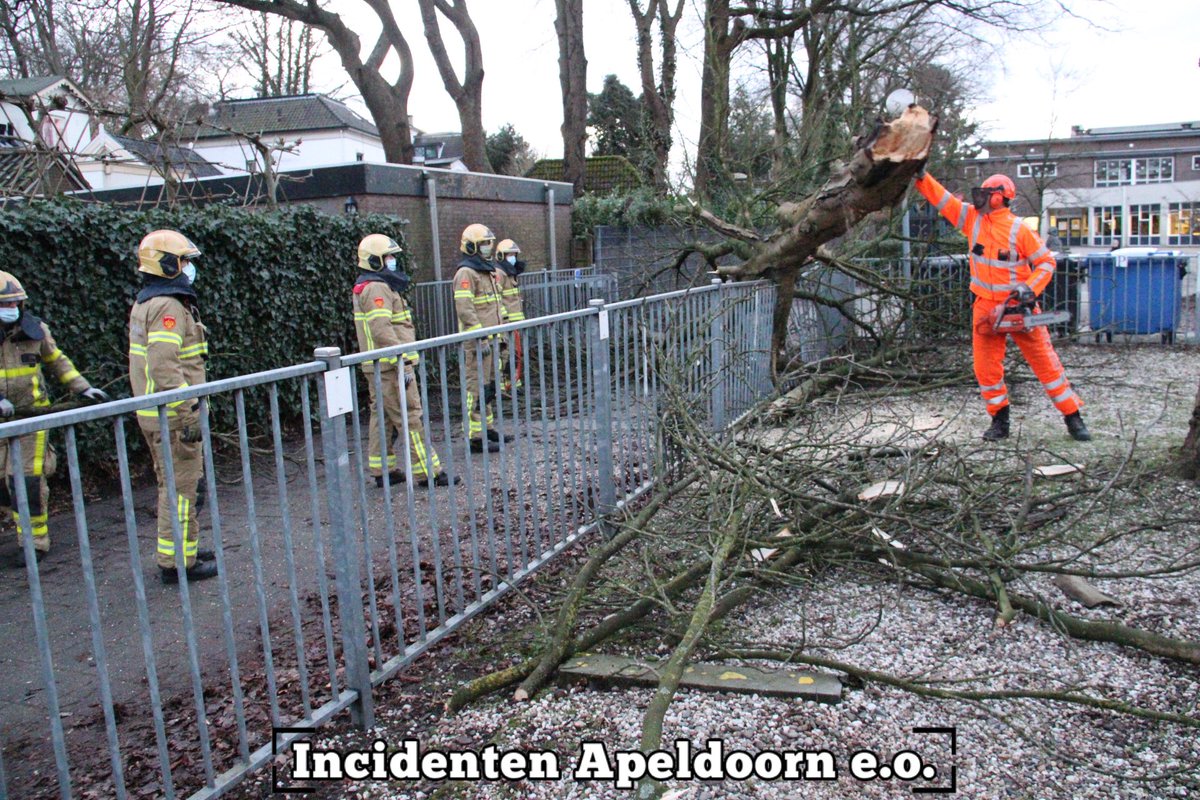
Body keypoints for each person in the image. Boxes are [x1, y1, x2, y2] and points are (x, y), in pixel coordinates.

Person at [912, 170, 1091, 442]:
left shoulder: (1019, 229)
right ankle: (999, 420)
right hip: (985, 306)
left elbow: (1046, 262)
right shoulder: (971, 219)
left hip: (1018, 306)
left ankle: (1073, 416)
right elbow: (943, 199)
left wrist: (1027, 290)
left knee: (1046, 364)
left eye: (986, 194)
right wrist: (920, 176)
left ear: (998, 198)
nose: (979, 198)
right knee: (986, 369)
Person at [129, 229, 218, 584]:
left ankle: (185, 548)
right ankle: (178, 562)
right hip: (173, 415)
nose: (190, 268)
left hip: (157, 413)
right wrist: (187, 413)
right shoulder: (167, 306)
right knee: (182, 487)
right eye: (184, 261)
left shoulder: (147, 301)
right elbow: (166, 368)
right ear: (166, 264)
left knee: (175, 483)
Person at [0, 271, 108, 560]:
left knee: (27, 481)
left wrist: (83, 388)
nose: (11, 310)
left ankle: (35, 543)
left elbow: (57, 361)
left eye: (15, 304)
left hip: (31, 420)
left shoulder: (35, 330)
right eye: (5, 305)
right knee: (3, 484)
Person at [352, 233, 458, 488]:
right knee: (410, 416)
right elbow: (382, 331)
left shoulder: (371, 285)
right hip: (390, 366)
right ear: (375, 260)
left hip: (379, 366)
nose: (392, 261)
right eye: (388, 257)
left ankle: (383, 470)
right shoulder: (377, 287)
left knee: (383, 417)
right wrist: (403, 362)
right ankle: (429, 473)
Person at [452, 224, 510, 452]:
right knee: (476, 389)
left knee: (489, 387)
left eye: (489, 243)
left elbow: (496, 308)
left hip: (493, 341)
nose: (489, 247)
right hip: (477, 344)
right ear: (472, 246)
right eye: (484, 243)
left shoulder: (487, 272)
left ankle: (487, 427)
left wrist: (501, 336)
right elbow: (466, 310)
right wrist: (482, 338)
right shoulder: (466, 273)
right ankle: (474, 437)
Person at [494, 238, 526, 393]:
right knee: (504, 353)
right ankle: (501, 384)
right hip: (507, 322)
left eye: (514, 254)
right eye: (509, 254)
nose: (512, 257)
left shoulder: (511, 272)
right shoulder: (499, 273)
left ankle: (513, 381)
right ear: (501, 256)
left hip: (516, 321)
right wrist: (504, 317)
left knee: (515, 353)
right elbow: (497, 298)